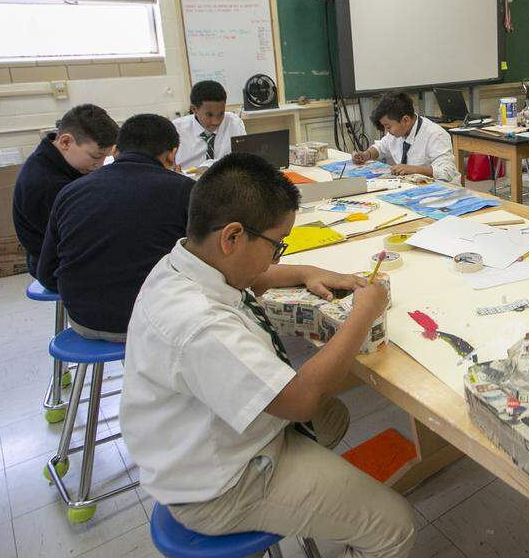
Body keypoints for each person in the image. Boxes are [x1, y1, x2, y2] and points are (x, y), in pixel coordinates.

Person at [120, 153, 415, 557]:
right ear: (232, 237)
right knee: (394, 526)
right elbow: (300, 400)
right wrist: (363, 315)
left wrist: (303, 270)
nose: (277, 258)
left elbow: (249, 280)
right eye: (277, 246)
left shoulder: (186, 263)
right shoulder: (200, 325)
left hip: (215, 438)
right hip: (221, 485)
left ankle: (314, 491)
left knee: (333, 419)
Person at [36, 114, 194, 342]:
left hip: (83, 320)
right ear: (172, 154)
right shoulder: (185, 191)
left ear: (116, 151)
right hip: (156, 323)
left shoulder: (70, 191)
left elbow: (47, 274)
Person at [13, 104, 118, 277]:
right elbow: (81, 241)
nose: (99, 166)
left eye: (105, 158)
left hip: (60, 253)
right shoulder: (48, 185)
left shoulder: (55, 159)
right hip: (55, 266)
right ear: (66, 142)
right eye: (95, 157)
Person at [352, 91, 460, 182]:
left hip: (443, 190)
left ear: (405, 120)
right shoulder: (397, 132)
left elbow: (447, 171)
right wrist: (366, 154)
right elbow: (381, 147)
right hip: (414, 187)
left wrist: (415, 169)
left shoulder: (435, 134)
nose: (387, 131)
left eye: (388, 126)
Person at [174, 80, 247, 170]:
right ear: (194, 109)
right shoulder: (176, 129)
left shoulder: (234, 122)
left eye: (221, 114)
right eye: (209, 115)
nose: (216, 122)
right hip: (189, 182)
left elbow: (243, 159)